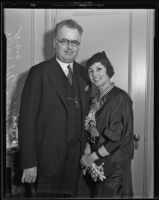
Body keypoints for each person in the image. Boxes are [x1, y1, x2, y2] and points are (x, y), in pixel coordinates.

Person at [18, 19, 91, 198]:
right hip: (47, 160)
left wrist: (90, 147)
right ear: (54, 43)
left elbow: (89, 115)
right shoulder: (38, 73)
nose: (69, 47)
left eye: (74, 42)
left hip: (78, 161)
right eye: (64, 41)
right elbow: (26, 121)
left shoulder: (85, 74)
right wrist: (29, 163)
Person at [80, 51, 134, 198]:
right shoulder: (96, 99)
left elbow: (117, 138)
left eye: (99, 69)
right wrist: (87, 149)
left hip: (114, 163)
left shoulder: (119, 98)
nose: (94, 74)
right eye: (90, 71)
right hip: (99, 160)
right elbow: (90, 128)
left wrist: (91, 157)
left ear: (108, 71)